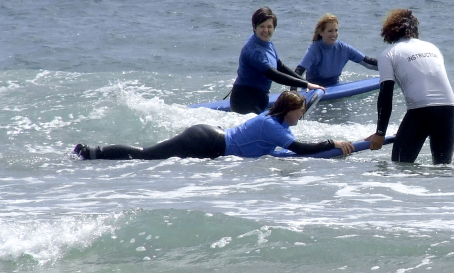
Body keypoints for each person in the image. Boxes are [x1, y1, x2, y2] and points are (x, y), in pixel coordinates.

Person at [73, 91, 355, 160]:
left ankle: (94, 153)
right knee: (147, 155)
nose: (302, 115)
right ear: (289, 110)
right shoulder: (275, 127)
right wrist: (332, 144)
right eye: (300, 111)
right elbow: (301, 150)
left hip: (209, 137)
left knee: (150, 155)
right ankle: (92, 152)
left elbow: (286, 150)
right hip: (206, 142)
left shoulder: (276, 122)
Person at [367, 9, 454, 164]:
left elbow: (386, 95)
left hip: (420, 112)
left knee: (400, 166)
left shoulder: (388, 54)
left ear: (389, 31)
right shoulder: (432, 48)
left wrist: (380, 133)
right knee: (443, 169)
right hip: (448, 109)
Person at [230, 7, 325, 114]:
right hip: (245, 101)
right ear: (254, 27)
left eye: (269, 27)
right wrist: (306, 85)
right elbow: (274, 75)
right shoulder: (254, 51)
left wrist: (306, 82)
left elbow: (280, 66)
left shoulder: (267, 43)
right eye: (262, 26)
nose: (266, 30)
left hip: (258, 100)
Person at [293, 13, 378, 87]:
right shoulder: (314, 49)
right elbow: (299, 71)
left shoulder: (344, 48)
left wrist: (389, 68)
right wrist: (294, 90)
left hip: (335, 87)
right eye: (330, 31)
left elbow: (367, 62)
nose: (334, 34)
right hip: (314, 89)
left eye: (336, 30)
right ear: (321, 32)